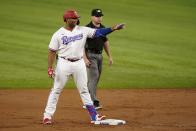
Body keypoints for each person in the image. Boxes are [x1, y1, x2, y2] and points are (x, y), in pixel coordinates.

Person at [42, 9, 125, 125]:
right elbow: (51, 51)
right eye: (73, 18)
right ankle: (47, 116)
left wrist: (113, 28)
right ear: (66, 19)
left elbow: (99, 32)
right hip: (63, 64)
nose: (76, 20)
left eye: (77, 18)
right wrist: (50, 68)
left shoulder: (83, 30)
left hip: (79, 64)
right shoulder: (58, 34)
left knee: (84, 90)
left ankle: (94, 116)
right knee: (56, 90)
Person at [83, 9, 112, 110]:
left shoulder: (103, 28)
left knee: (95, 78)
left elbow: (105, 43)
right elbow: (81, 45)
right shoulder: (86, 28)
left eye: (100, 16)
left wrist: (109, 56)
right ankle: (93, 101)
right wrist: (85, 58)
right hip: (90, 55)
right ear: (92, 17)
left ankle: (86, 100)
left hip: (100, 56)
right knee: (94, 77)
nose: (99, 18)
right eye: (97, 16)